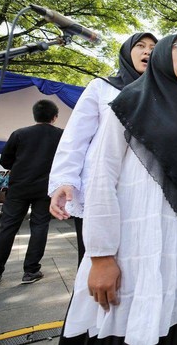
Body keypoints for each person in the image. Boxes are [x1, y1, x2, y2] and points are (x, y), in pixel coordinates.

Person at [59, 32, 177, 345]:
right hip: (133, 253)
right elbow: (101, 177)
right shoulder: (128, 104)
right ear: (164, 55)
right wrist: (101, 255)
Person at [48, 32, 157, 266]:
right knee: (94, 268)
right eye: (141, 46)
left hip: (143, 196)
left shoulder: (162, 98)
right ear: (127, 52)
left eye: (153, 48)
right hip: (101, 189)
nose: (148, 51)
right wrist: (65, 179)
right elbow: (76, 137)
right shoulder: (102, 88)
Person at [0, 100, 63, 288]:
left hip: (18, 187)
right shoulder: (61, 135)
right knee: (39, 226)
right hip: (45, 187)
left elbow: (5, 161)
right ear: (55, 117)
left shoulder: (19, 133)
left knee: (7, 227)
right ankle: (31, 271)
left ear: (35, 115)